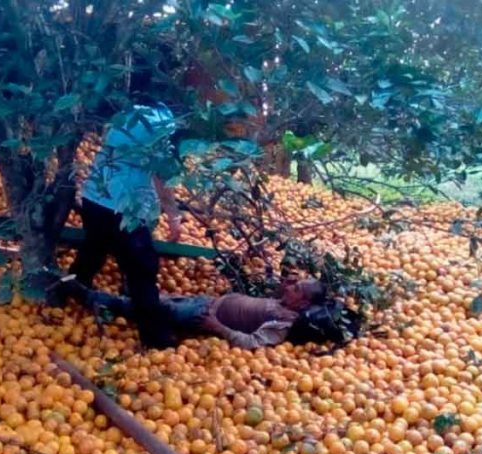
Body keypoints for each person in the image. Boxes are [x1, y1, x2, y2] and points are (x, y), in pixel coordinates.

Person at [68, 84, 183, 349]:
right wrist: (173, 217)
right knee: (142, 270)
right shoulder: (162, 129)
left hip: (95, 198)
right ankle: (155, 339)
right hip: (126, 209)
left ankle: (70, 292)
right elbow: (161, 178)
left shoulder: (126, 116)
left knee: (94, 248)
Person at [76, 277, 340, 350]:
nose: (291, 287)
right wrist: (282, 288)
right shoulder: (285, 303)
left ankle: (88, 296)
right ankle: (113, 294)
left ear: (304, 303)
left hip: (202, 315)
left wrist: (217, 327)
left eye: (296, 288)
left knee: (146, 308)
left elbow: (254, 343)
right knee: (151, 298)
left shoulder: (286, 322)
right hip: (208, 301)